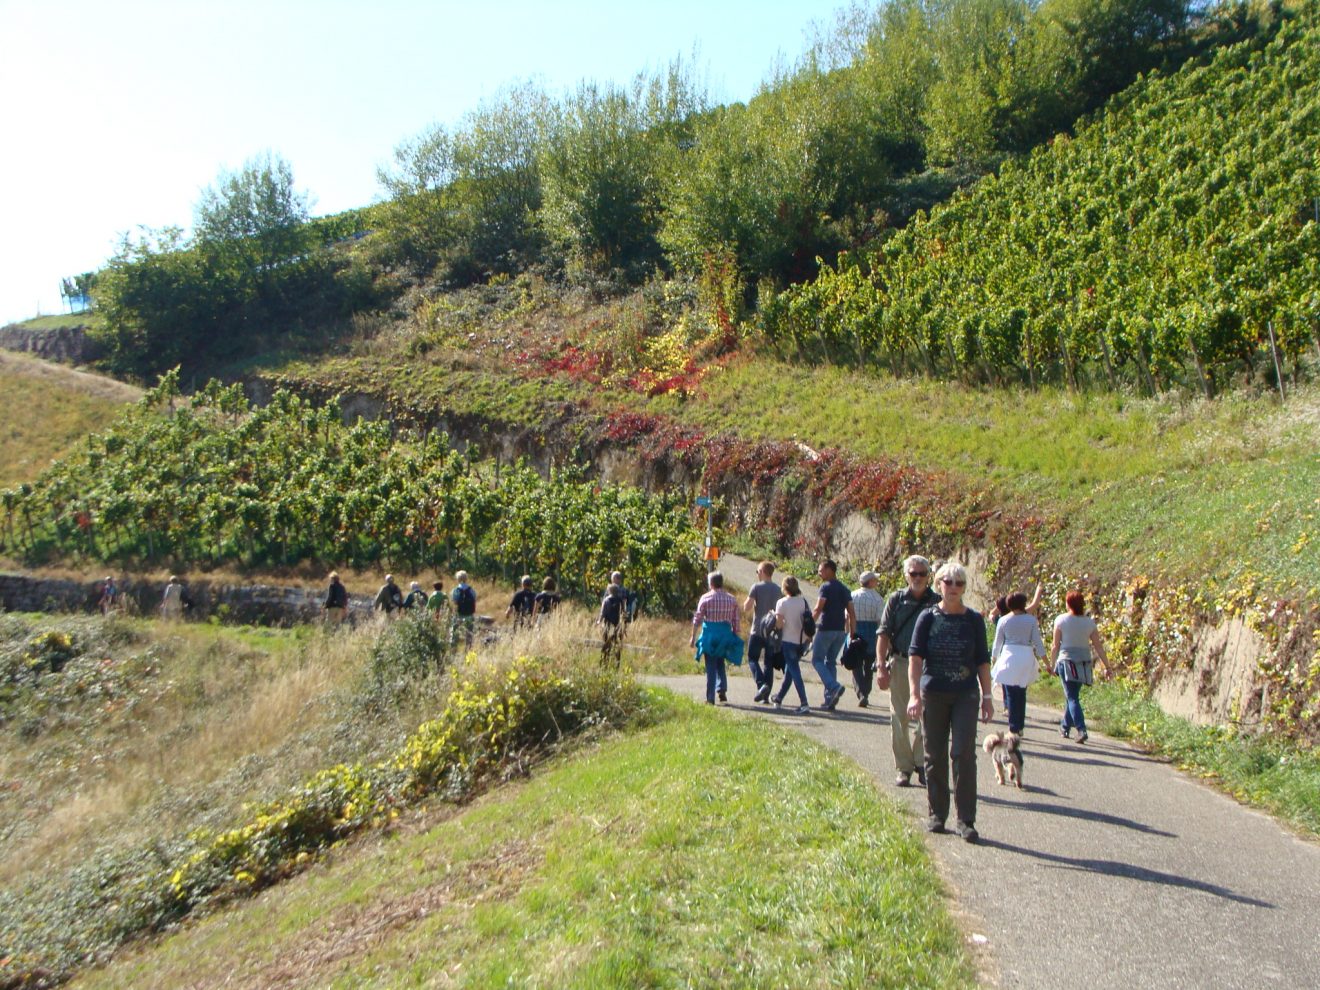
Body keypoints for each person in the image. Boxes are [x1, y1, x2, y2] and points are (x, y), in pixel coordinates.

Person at [907, 561, 992, 843]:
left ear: (964, 588)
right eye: (948, 582)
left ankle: (966, 820)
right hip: (934, 693)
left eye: (959, 583)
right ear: (938, 585)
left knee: (963, 753)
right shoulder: (928, 617)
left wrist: (987, 697)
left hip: (965, 694)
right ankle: (937, 814)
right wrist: (914, 694)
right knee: (934, 754)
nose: (954, 587)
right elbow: (915, 657)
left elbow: (982, 660)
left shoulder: (974, 620)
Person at [876, 555, 940, 787]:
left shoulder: (937, 602)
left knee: (928, 718)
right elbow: (883, 633)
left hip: (930, 666)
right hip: (901, 663)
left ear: (929, 576)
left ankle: (921, 763)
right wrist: (881, 666)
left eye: (922, 574)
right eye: (913, 573)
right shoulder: (897, 600)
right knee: (899, 716)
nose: (918, 578)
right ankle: (904, 767)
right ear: (906, 575)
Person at [1050, 591, 1109, 743]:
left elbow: (1055, 646)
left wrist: (1051, 664)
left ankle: (1081, 729)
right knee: (1072, 696)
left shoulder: (1061, 620)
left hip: (1067, 661)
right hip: (1083, 663)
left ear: (1068, 604)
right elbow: (1098, 646)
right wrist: (1107, 666)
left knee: (1072, 697)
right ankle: (1065, 727)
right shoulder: (1089, 623)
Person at [991, 591, 1046, 735]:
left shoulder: (1003, 620)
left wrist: (994, 659)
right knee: (1021, 692)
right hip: (1026, 656)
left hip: (1009, 655)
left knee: (1010, 692)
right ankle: (1019, 725)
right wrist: (1046, 662)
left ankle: (1014, 726)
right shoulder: (1030, 620)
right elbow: (1038, 642)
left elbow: (997, 643)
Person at [690, 571, 743, 704]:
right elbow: (736, 620)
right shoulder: (731, 599)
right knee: (720, 661)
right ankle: (722, 689)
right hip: (725, 635)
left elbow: (697, 619)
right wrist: (735, 635)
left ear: (711, 583)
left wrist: (693, 636)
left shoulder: (705, 598)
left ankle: (710, 697)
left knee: (710, 665)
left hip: (710, 636)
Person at [811, 560, 855, 711]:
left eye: (821, 570)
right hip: (840, 631)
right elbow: (851, 613)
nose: (819, 573)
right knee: (830, 662)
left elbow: (818, 609)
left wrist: (808, 625)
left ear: (830, 570)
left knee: (817, 660)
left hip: (826, 628)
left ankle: (833, 686)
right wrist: (852, 634)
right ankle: (830, 698)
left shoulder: (826, 587)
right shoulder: (844, 589)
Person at [771, 576, 813, 714]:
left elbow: (779, 624)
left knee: (794, 671)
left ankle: (804, 703)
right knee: (790, 670)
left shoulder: (782, 603)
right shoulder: (803, 602)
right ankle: (779, 698)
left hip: (788, 640)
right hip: (802, 640)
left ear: (784, 588)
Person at [742, 560, 782, 704]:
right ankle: (766, 695)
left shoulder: (756, 587)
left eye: (758, 571)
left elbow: (747, 607)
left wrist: (749, 603)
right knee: (768, 663)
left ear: (763, 572)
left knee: (752, 658)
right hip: (772, 631)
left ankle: (761, 684)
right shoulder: (778, 589)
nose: (757, 574)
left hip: (758, 629)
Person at [850, 570, 885, 708]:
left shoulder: (852, 595)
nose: (877, 582)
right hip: (871, 632)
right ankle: (866, 691)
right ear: (870, 582)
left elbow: (847, 616)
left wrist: (849, 632)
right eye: (875, 580)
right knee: (869, 665)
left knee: (856, 664)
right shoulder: (877, 599)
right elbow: (880, 621)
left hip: (856, 629)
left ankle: (861, 692)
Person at [599, 581, 629, 667]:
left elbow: (602, 613)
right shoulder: (620, 601)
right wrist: (624, 626)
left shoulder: (606, 600)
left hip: (607, 625)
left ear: (609, 591)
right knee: (617, 645)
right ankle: (616, 664)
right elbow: (624, 614)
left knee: (606, 644)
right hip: (618, 626)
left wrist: (599, 621)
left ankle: (604, 663)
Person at [451, 571, 478, 648]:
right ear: (466, 578)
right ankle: (468, 648)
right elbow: (475, 599)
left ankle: (453, 648)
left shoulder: (456, 590)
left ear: (458, 579)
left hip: (459, 614)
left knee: (455, 632)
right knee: (469, 633)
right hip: (469, 614)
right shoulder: (471, 590)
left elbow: (454, 601)